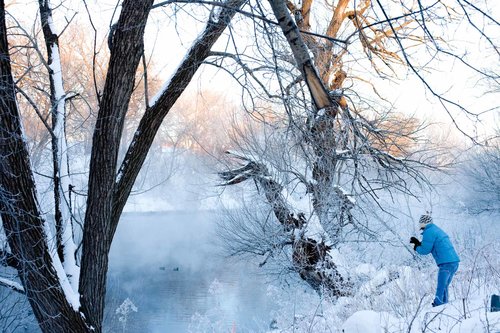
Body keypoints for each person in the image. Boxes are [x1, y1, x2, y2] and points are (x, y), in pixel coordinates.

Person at [410, 214, 460, 306]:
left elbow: (425, 250)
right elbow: (432, 244)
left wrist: (415, 247)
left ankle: (438, 304)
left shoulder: (428, 232)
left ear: (423, 223)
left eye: (420, 223)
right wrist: (419, 243)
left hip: (446, 263)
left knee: (441, 286)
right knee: (444, 285)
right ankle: (444, 304)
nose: (419, 225)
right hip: (454, 262)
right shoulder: (436, 230)